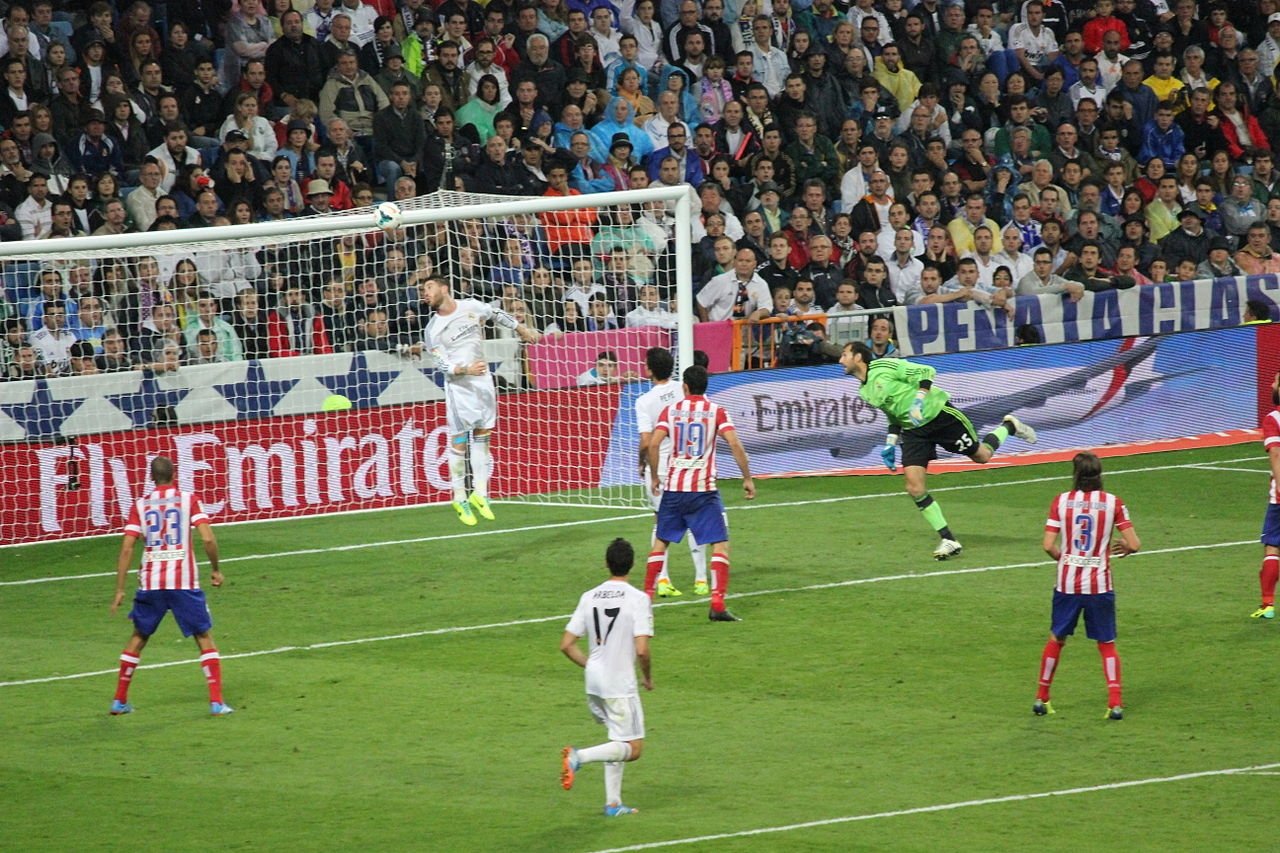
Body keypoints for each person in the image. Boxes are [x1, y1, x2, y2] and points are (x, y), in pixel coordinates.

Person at [839, 341, 1039, 560]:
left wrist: (919, 398)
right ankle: (948, 539)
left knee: (982, 456)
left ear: (858, 357)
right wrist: (890, 441)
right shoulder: (865, 390)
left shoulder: (884, 366)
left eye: (845, 354)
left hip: (940, 417)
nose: (841, 360)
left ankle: (1009, 426)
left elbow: (927, 371)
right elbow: (892, 414)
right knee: (914, 487)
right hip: (914, 432)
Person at [108, 455, 233, 717]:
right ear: (175, 475)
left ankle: (119, 700)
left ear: (151, 478)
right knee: (203, 637)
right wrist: (216, 570)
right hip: (183, 582)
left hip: (151, 582)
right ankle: (216, 702)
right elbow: (208, 539)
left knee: (138, 637)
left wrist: (120, 588)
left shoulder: (140, 505)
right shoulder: (188, 500)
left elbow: (127, 547)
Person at [421, 276, 540, 526]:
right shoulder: (432, 328)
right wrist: (464, 370)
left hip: (483, 380)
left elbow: (496, 313)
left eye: (429, 287)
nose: (425, 293)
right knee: (460, 440)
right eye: (423, 290)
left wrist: (521, 328)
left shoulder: (471, 307)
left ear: (444, 288)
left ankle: (481, 493)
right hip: (459, 386)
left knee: (484, 436)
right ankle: (459, 496)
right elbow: (440, 363)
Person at [1033, 451, 1141, 720]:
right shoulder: (1113, 503)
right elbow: (1135, 544)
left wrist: (1065, 560)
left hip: (1067, 582)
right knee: (1106, 642)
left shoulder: (1061, 501)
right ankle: (1114, 703)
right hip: (1099, 583)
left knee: (1057, 638)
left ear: (1076, 474)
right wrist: (1126, 547)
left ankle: (1041, 698)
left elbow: (1048, 545)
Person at [646, 365, 755, 621]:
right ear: (706, 386)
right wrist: (747, 478)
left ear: (684, 386)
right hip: (703, 490)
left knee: (661, 541)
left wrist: (654, 476)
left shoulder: (670, 410)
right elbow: (735, 443)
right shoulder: (716, 411)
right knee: (721, 543)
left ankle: (645, 600)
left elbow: (653, 444)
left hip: (674, 488)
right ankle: (717, 604)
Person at [558, 537, 653, 817]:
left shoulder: (589, 596)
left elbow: (566, 644)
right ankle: (579, 757)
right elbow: (643, 650)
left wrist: (591, 665)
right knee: (632, 748)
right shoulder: (638, 599)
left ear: (606, 564)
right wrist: (647, 678)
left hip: (594, 682)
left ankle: (613, 804)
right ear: (632, 565)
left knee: (617, 739)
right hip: (619, 684)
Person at [635, 347, 708, 599]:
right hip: (688, 465)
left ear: (649, 370)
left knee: (661, 522)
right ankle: (701, 580)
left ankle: (663, 580)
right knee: (696, 520)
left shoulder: (644, 401)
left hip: (662, 468)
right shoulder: (683, 389)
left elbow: (646, 441)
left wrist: (642, 462)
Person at [1253, 372, 1280, 620]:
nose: (1271, 384)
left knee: (1272, 545)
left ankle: (1268, 604)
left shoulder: (1273, 418)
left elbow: (1275, 454)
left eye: (1275, 381)